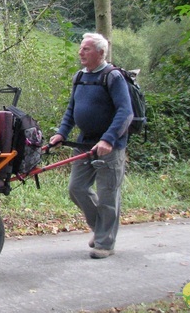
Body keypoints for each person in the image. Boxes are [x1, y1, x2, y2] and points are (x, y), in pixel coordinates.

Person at [49, 32, 133, 259]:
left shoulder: (113, 77)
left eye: (86, 49)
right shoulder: (80, 77)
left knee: (108, 195)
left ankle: (105, 243)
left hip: (110, 146)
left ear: (100, 53)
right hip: (84, 143)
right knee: (76, 188)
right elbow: (71, 110)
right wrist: (61, 133)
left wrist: (108, 139)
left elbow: (126, 112)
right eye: (81, 48)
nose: (80, 52)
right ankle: (101, 228)